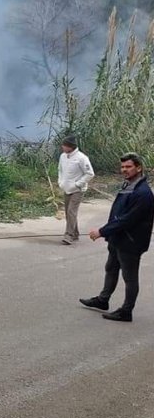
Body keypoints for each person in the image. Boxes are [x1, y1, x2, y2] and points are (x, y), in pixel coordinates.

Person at [80, 153, 154, 322]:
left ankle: (126, 311)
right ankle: (103, 300)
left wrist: (102, 231)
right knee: (111, 268)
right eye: (122, 167)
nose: (124, 170)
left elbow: (127, 220)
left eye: (128, 167)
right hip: (118, 238)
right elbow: (118, 214)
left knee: (130, 277)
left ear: (139, 168)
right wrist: (109, 233)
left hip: (131, 242)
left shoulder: (143, 193)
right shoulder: (129, 185)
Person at [57, 135, 95, 245]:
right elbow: (60, 170)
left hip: (78, 190)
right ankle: (75, 233)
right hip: (66, 188)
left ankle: (68, 235)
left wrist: (78, 184)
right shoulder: (63, 156)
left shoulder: (82, 158)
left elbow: (90, 174)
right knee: (69, 213)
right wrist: (60, 182)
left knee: (71, 211)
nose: (62, 147)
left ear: (71, 147)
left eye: (64, 145)